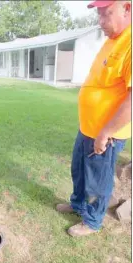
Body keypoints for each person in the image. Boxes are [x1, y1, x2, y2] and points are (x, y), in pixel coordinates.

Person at [56, 0, 132, 237]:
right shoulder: (112, 41)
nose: (101, 22)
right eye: (99, 15)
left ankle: (92, 220)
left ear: (127, 8)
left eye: (106, 14)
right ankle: (78, 205)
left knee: (98, 182)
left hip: (106, 134)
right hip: (88, 128)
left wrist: (106, 132)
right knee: (79, 170)